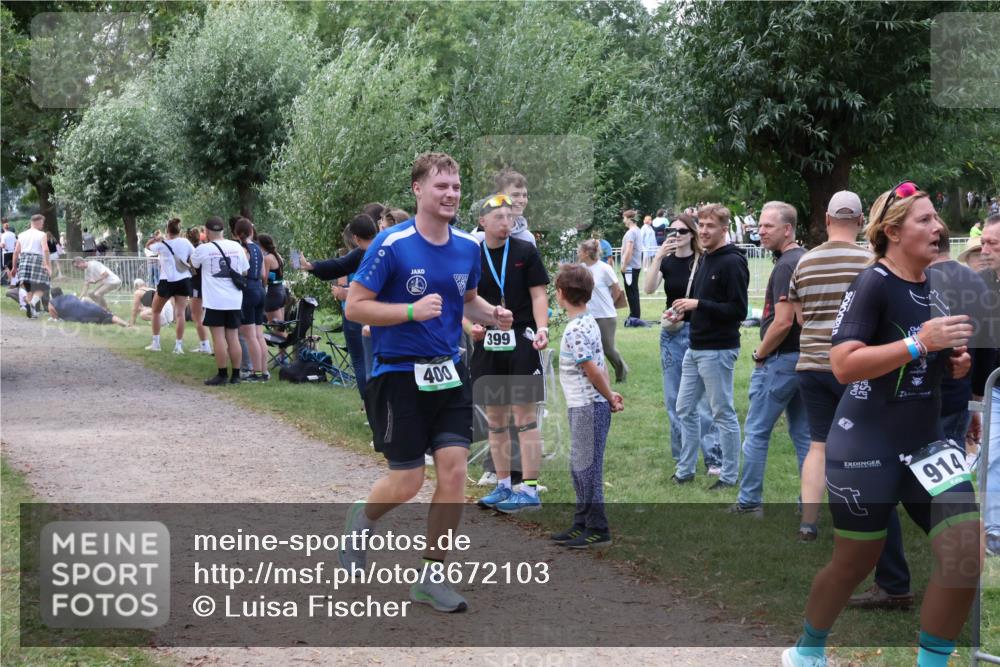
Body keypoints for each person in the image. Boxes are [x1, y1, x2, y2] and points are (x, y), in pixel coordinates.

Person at [783, 182, 979, 667]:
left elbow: (926, 359)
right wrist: (919, 343)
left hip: (927, 443)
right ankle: (807, 651)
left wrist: (953, 364)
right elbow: (843, 364)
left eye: (936, 218)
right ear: (892, 232)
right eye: (925, 220)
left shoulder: (938, 285)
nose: (939, 228)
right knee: (854, 562)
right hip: (867, 445)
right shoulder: (872, 282)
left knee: (966, 553)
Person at [341, 152, 513, 613]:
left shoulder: (467, 247)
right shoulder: (391, 245)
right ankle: (362, 520)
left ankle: (431, 577)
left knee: (454, 472)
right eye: (441, 186)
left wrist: (492, 314)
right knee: (408, 482)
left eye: (456, 186)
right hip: (398, 374)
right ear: (417, 189)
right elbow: (355, 306)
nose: (450, 194)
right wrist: (410, 311)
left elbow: (466, 299)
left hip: (449, 371)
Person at [789, 191, 872, 542]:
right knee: (861, 443)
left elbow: (799, 317)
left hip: (811, 364)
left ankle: (808, 522)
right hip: (855, 365)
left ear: (826, 219)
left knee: (818, 444)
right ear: (861, 221)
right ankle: (859, 518)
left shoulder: (804, 262)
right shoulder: (871, 261)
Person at [468, 194, 550, 514]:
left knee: (525, 418)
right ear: (482, 222)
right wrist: (470, 328)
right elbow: (459, 300)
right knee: (496, 420)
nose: (506, 223)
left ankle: (529, 489)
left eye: (510, 217)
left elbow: (539, 294)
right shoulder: (471, 255)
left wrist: (542, 329)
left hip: (521, 341)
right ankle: (503, 485)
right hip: (488, 344)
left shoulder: (525, 251)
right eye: (499, 218)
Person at [730, 201, 810, 516]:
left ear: (787, 229)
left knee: (756, 432)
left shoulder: (787, 264)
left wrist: (759, 353)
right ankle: (809, 507)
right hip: (805, 360)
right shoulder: (803, 258)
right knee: (804, 436)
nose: (760, 231)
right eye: (759, 225)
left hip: (781, 361)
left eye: (768, 226)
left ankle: (749, 503)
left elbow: (783, 321)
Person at [671, 203, 749, 488]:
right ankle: (685, 470)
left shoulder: (732, 262)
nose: (703, 231)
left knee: (722, 413)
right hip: (695, 347)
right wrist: (683, 312)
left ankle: (728, 476)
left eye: (710, 226)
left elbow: (738, 310)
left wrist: (698, 304)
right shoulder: (706, 258)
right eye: (701, 225)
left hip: (718, 350)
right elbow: (704, 305)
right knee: (684, 409)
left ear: (724, 229)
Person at [552, 263, 624, 548]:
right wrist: (610, 393)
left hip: (588, 407)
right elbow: (600, 364)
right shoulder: (589, 321)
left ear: (560, 293)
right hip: (585, 405)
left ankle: (598, 528)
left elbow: (592, 370)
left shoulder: (576, 330)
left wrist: (608, 396)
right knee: (579, 466)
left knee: (588, 469)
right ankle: (581, 522)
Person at [644, 214, 721, 473]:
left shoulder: (703, 261)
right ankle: (682, 457)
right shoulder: (667, 261)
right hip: (672, 335)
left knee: (703, 399)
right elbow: (649, 288)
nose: (675, 235)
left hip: (698, 332)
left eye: (681, 231)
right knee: (674, 398)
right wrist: (657, 257)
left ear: (692, 234)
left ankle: (713, 457)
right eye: (671, 231)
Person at [301, 214, 379, 398]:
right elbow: (339, 265)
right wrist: (312, 266)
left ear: (356, 238)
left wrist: (311, 266)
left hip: (364, 314)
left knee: (361, 360)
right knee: (376, 361)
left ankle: (370, 405)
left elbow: (339, 266)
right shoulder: (385, 248)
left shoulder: (364, 253)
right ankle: (377, 406)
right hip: (384, 314)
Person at [190, 216, 249, 386]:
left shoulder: (203, 249)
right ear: (223, 230)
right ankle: (236, 375)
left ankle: (222, 375)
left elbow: (193, 265)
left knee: (219, 338)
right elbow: (245, 271)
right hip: (234, 299)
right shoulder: (236, 247)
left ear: (207, 231)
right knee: (233, 337)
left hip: (215, 300)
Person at [976, 213, 1000, 557]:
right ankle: (994, 532)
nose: (983, 250)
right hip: (994, 389)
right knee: (991, 458)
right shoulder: (980, 284)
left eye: (992, 243)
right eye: (982, 242)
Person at [578, 240, 628, 383]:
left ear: (587, 253)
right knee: (589, 348)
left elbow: (616, 290)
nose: (578, 253)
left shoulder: (604, 268)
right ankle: (595, 377)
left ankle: (622, 372)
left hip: (606, 315)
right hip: (587, 315)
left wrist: (609, 305)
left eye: (580, 251)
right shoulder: (581, 269)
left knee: (607, 348)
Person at [143, 218, 193, 354]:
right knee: (180, 314)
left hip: (166, 280)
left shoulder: (161, 244)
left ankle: (156, 344)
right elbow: (193, 255)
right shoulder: (185, 242)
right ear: (179, 230)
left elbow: (147, 247)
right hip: (183, 279)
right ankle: (178, 347)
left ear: (167, 230)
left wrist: (156, 238)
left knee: (155, 311)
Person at [234, 218, 268, 382]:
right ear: (251, 232)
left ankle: (257, 373)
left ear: (237, 233)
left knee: (250, 336)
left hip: (248, 291)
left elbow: (243, 271)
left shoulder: (242, 249)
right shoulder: (258, 249)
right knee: (259, 335)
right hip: (260, 290)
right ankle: (264, 371)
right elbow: (263, 274)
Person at [11, 215, 51, 318]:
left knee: (29, 288)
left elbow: (16, 252)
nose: (42, 225)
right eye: (42, 223)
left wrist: (14, 267)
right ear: (38, 222)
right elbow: (45, 249)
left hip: (24, 259)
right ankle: (32, 303)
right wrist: (47, 264)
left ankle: (32, 313)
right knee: (43, 286)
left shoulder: (22, 234)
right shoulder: (42, 234)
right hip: (37, 260)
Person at [185, 226, 212, 354]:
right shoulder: (206, 247)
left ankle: (205, 345)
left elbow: (194, 270)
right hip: (206, 285)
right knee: (200, 316)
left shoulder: (194, 251)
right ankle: (205, 344)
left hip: (197, 285)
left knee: (196, 316)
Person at [47, 287, 129, 326]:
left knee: (99, 322)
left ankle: (115, 323)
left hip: (80, 317)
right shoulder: (70, 295)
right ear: (62, 293)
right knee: (110, 317)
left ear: (52, 296)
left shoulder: (52, 303)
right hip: (93, 308)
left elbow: (55, 317)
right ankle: (126, 324)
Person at [494, 168, 535, 245]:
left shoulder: (528, 238)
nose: (521, 200)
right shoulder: (483, 235)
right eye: (515, 195)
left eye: (524, 195)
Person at [619, 209, 643, 324]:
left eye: (624, 218)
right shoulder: (637, 230)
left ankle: (634, 315)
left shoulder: (631, 232)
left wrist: (624, 265)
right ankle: (634, 314)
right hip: (634, 266)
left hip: (630, 267)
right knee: (633, 291)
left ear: (629, 219)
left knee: (631, 292)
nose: (623, 220)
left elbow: (629, 250)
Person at [258, 234, 287, 325]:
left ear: (261, 245)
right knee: (281, 326)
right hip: (282, 291)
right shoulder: (278, 255)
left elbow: (265, 279)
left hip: (273, 294)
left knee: (277, 328)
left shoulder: (267, 258)